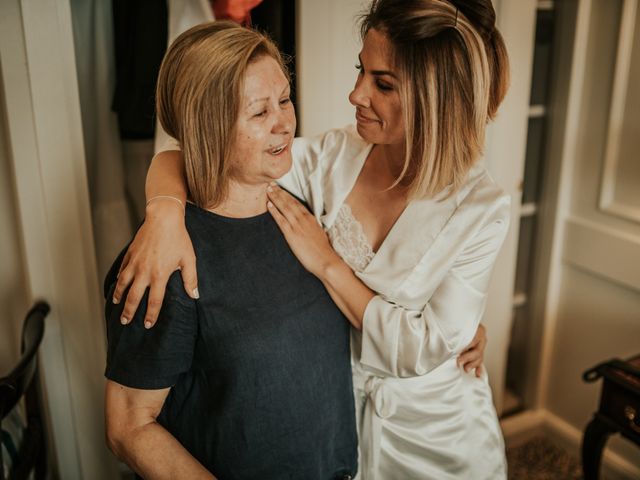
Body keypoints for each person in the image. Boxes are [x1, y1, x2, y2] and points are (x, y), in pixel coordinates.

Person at [114, 0, 509, 478]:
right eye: (360, 70)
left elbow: (424, 346)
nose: (355, 94)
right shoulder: (335, 156)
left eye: (382, 83)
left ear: (435, 98)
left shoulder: (483, 208)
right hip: (339, 429)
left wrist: (329, 264)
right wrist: (164, 211)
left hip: (432, 431)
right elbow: (207, 148)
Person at [103, 21, 358, 479]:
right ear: (209, 128)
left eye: (284, 99)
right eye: (259, 113)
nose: (284, 121)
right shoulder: (167, 263)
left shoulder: (305, 203)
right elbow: (128, 427)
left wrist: (452, 324)